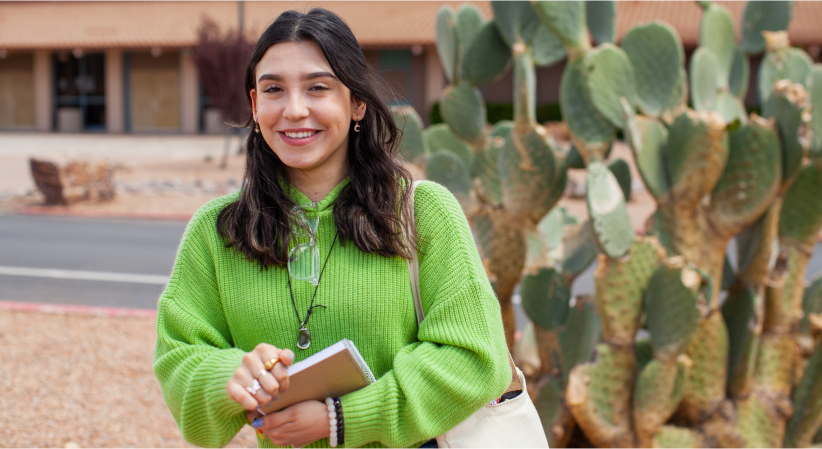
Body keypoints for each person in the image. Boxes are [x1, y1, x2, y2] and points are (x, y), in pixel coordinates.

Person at [153, 7, 510, 448]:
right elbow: (178, 358)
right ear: (254, 104)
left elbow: (477, 357)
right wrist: (233, 374)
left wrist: (342, 418)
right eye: (274, 90)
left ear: (356, 101)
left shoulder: (424, 212)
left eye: (318, 87)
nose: (295, 109)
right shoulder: (216, 229)